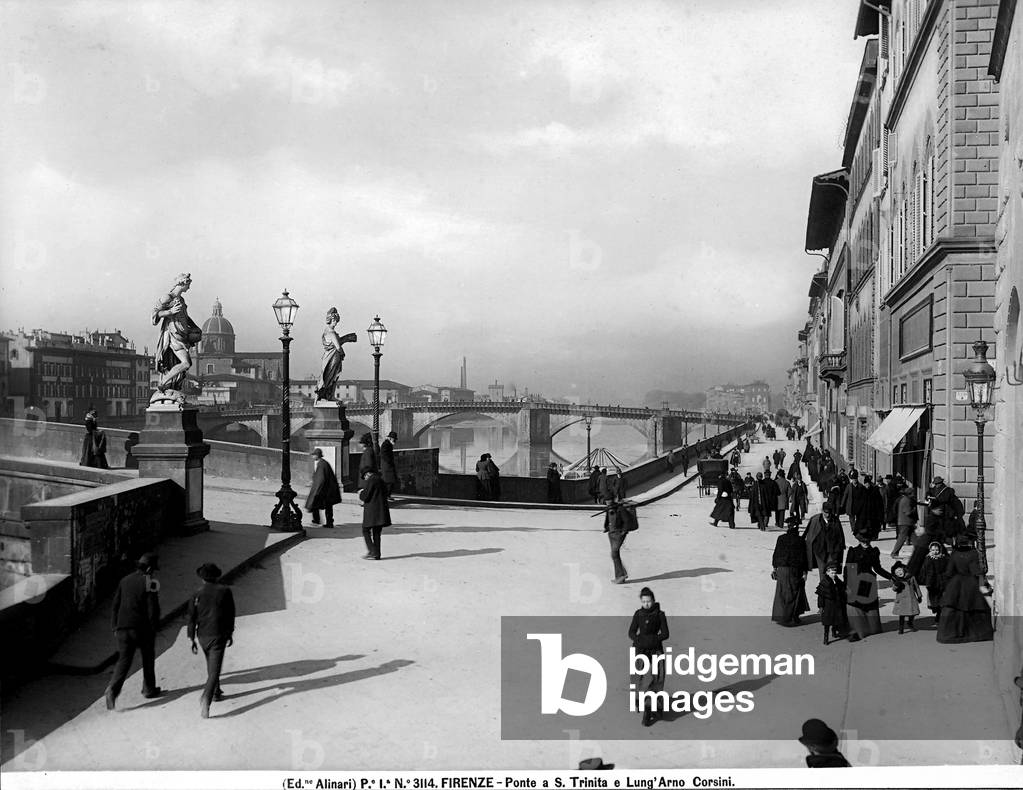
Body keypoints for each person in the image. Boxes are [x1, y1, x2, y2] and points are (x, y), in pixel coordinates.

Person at [105, 552, 162, 710]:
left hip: (122, 628)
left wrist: (115, 626)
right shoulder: (150, 582)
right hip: (141, 629)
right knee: (148, 657)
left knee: (124, 660)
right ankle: (149, 689)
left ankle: (113, 690)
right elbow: (153, 609)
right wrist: (154, 627)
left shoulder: (125, 580)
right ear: (149, 568)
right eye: (153, 569)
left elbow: (115, 605)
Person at [187, 563, 235, 719]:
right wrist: (230, 633)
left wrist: (191, 638)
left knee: (210, 664)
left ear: (202, 578)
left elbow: (191, 618)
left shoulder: (196, 593)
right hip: (218, 635)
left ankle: (216, 692)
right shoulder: (225, 591)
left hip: (202, 636)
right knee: (215, 670)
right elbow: (230, 614)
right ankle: (206, 699)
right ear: (217, 576)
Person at [936, 532, 993, 644]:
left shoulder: (955, 553)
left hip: (956, 583)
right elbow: (975, 570)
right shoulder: (973, 553)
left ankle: (955, 633)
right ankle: (975, 634)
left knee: (956, 607)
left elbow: (949, 571)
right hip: (971, 583)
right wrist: (982, 575)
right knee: (974, 606)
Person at [151, 272, 202, 395]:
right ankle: (163, 383)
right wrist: (170, 311)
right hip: (173, 336)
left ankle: (167, 384)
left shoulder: (181, 300)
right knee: (186, 363)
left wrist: (195, 328)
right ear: (183, 283)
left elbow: (186, 317)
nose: (189, 288)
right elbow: (154, 314)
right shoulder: (167, 297)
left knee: (183, 364)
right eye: (188, 285)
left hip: (182, 335)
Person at [628, 587, 669, 727]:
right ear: (641, 601)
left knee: (658, 677)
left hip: (655, 650)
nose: (646, 604)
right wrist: (639, 640)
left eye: (649, 601)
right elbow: (631, 632)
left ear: (653, 600)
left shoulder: (660, 615)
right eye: (644, 601)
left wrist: (652, 640)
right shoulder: (638, 614)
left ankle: (654, 705)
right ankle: (639, 700)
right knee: (638, 677)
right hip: (640, 650)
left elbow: (665, 634)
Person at [844, 531, 895, 642]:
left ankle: (872, 629)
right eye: (863, 541)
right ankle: (856, 631)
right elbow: (848, 569)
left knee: (869, 606)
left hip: (868, 582)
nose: (866, 543)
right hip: (855, 581)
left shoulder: (874, 551)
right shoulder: (853, 551)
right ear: (859, 541)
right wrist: (847, 585)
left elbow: (877, 568)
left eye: (868, 541)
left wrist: (891, 577)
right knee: (855, 606)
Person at [771, 517, 809, 626]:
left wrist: (774, 568)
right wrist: (805, 572)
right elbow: (803, 558)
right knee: (794, 592)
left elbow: (776, 554)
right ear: (797, 528)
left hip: (782, 569)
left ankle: (782, 616)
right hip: (794, 570)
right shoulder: (800, 541)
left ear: (788, 527)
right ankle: (791, 617)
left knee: (782, 593)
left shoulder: (781, 538)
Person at [313, 307, 356, 401]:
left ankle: (326, 396)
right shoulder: (331, 333)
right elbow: (338, 347)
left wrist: (347, 339)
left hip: (329, 357)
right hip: (332, 358)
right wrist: (343, 352)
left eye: (336, 321)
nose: (336, 323)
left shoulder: (326, 331)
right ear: (330, 320)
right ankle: (326, 396)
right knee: (330, 377)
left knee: (330, 377)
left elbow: (337, 343)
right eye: (335, 321)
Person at [803, 503, 846, 580]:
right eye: (826, 512)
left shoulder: (835, 520)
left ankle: (830, 589)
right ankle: (823, 589)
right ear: (822, 511)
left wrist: (839, 549)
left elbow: (840, 536)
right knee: (822, 572)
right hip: (819, 551)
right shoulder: (815, 520)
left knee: (831, 572)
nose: (828, 515)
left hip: (832, 551)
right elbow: (807, 534)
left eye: (829, 512)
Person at [358, 468, 391, 559]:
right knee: (377, 533)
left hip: (372, 510)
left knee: (365, 530)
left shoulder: (371, 480)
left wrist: (361, 493)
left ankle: (372, 551)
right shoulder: (380, 479)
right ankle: (377, 554)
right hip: (381, 511)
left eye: (365, 476)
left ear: (368, 474)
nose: (365, 478)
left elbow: (366, 495)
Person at [305, 448, 341, 527]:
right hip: (328, 489)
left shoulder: (321, 464)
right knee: (327, 506)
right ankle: (328, 522)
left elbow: (321, 479)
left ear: (317, 455)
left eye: (313, 455)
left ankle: (318, 521)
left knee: (315, 502)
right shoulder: (323, 463)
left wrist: (316, 490)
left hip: (325, 489)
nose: (312, 457)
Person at [815, 562, 848, 645]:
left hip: (837, 605)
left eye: (835, 573)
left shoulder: (837, 581)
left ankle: (834, 632)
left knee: (836, 621)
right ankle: (826, 637)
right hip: (828, 607)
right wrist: (821, 606)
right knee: (827, 623)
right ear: (827, 572)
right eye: (832, 573)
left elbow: (842, 589)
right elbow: (820, 596)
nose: (833, 574)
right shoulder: (824, 583)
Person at [919, 541, 949, 624]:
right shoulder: (927, 559)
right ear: (930, 550)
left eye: (936, 550)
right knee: (934, 601)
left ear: (940, 550)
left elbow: (948, 570)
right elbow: (923, 571)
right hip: (931, 583)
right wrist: (924, 580)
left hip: (942, 582)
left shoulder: (944, 558)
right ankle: (936, 611)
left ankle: (939, 616)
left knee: (941, 600)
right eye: (933, 550)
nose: (935, 551)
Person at [890, 561, 921, 634]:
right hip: (901, 600)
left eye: (900, 570)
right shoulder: (896, 580)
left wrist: (919, 596)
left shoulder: (911, 577)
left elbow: (916, 587)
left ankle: (910, 623)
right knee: (902, 615)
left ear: (903, 569)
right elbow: (894, 589)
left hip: (911, 598)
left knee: (913, 613)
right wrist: (897, 584)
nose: (899, 573)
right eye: (897, 572)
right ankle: (901, 628)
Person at [891, 482, 918, 558]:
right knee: (902, 538)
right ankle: (894, 553)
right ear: (909, 494)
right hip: (905, 522)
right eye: (913, 493)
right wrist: (914, 509)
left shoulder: (906, 499)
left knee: (915, 539)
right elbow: (908, 512)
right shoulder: (907, 500)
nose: (914, 494)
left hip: (908, 522)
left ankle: (918, 552)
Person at [840, 470, 866, 534]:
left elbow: (864, 496)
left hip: (858, 505)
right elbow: (845, 495)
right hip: (851, 505)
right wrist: (842, 504)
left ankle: (857, 528)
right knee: (851, 519)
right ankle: (853, 529)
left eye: (855, 479)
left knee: (858, 518)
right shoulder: (849, 486)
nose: (854, 480)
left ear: (857, 479)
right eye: (853, 479)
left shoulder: (861, 486)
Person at [379, 431, 398, 496]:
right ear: (390, 438)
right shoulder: (386, 444)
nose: (395, 440)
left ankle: (387, 495)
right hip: (387, 467)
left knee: (390, 481)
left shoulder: (388, 444)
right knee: (390, 481)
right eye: (394, 439)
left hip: (388, 466)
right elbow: (383, 454)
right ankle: (386, 495)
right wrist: (389, 461)